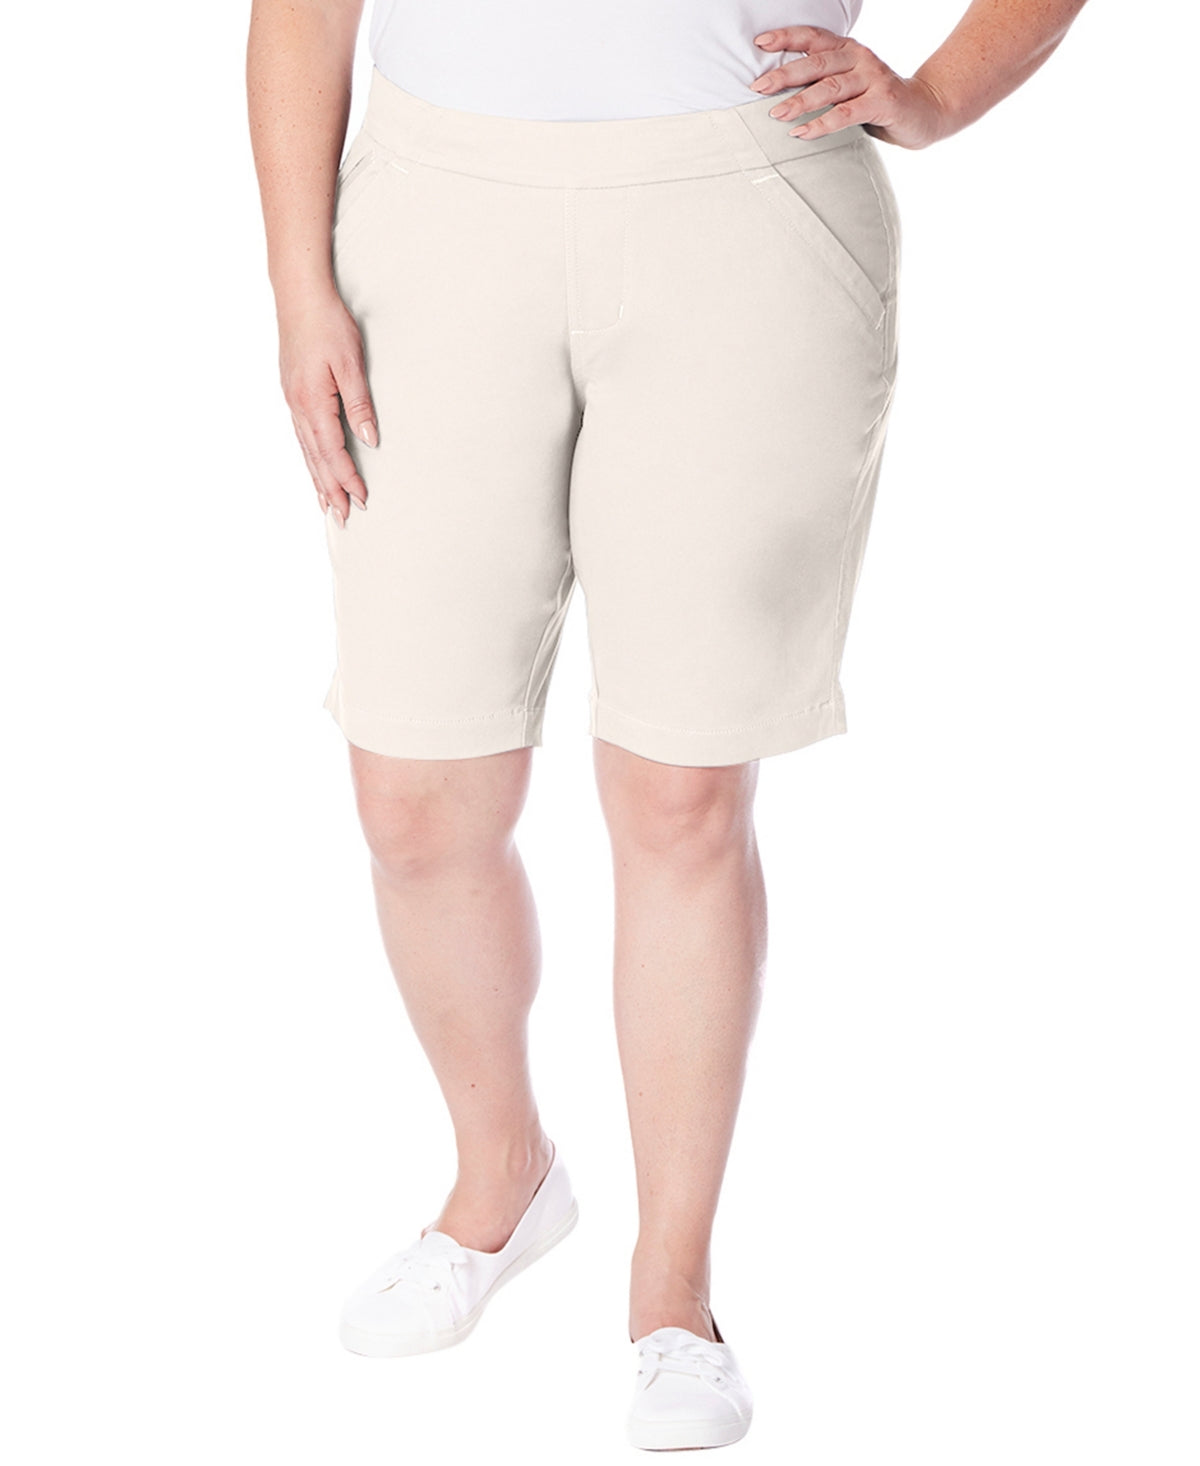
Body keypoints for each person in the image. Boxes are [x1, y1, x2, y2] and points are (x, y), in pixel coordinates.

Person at [247, 0, 1090, 1450]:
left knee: (683, 791)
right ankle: (502, 1177)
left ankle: (672, 1292)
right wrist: (295, 279)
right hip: (437, 215)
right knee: (416, 794)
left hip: (746, 209)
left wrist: (940, 95)